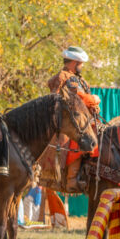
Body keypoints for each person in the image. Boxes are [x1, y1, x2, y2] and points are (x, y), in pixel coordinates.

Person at [47, 46, 101, 192]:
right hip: (68, 120)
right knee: (80, 139)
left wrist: (93, 107)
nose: (82, 67)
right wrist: (94, 100)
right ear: (74, 63)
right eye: (81, 64)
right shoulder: (65, 77)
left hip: (82, 117)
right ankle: (72, 179)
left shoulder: (78, 79)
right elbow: (77, 99)